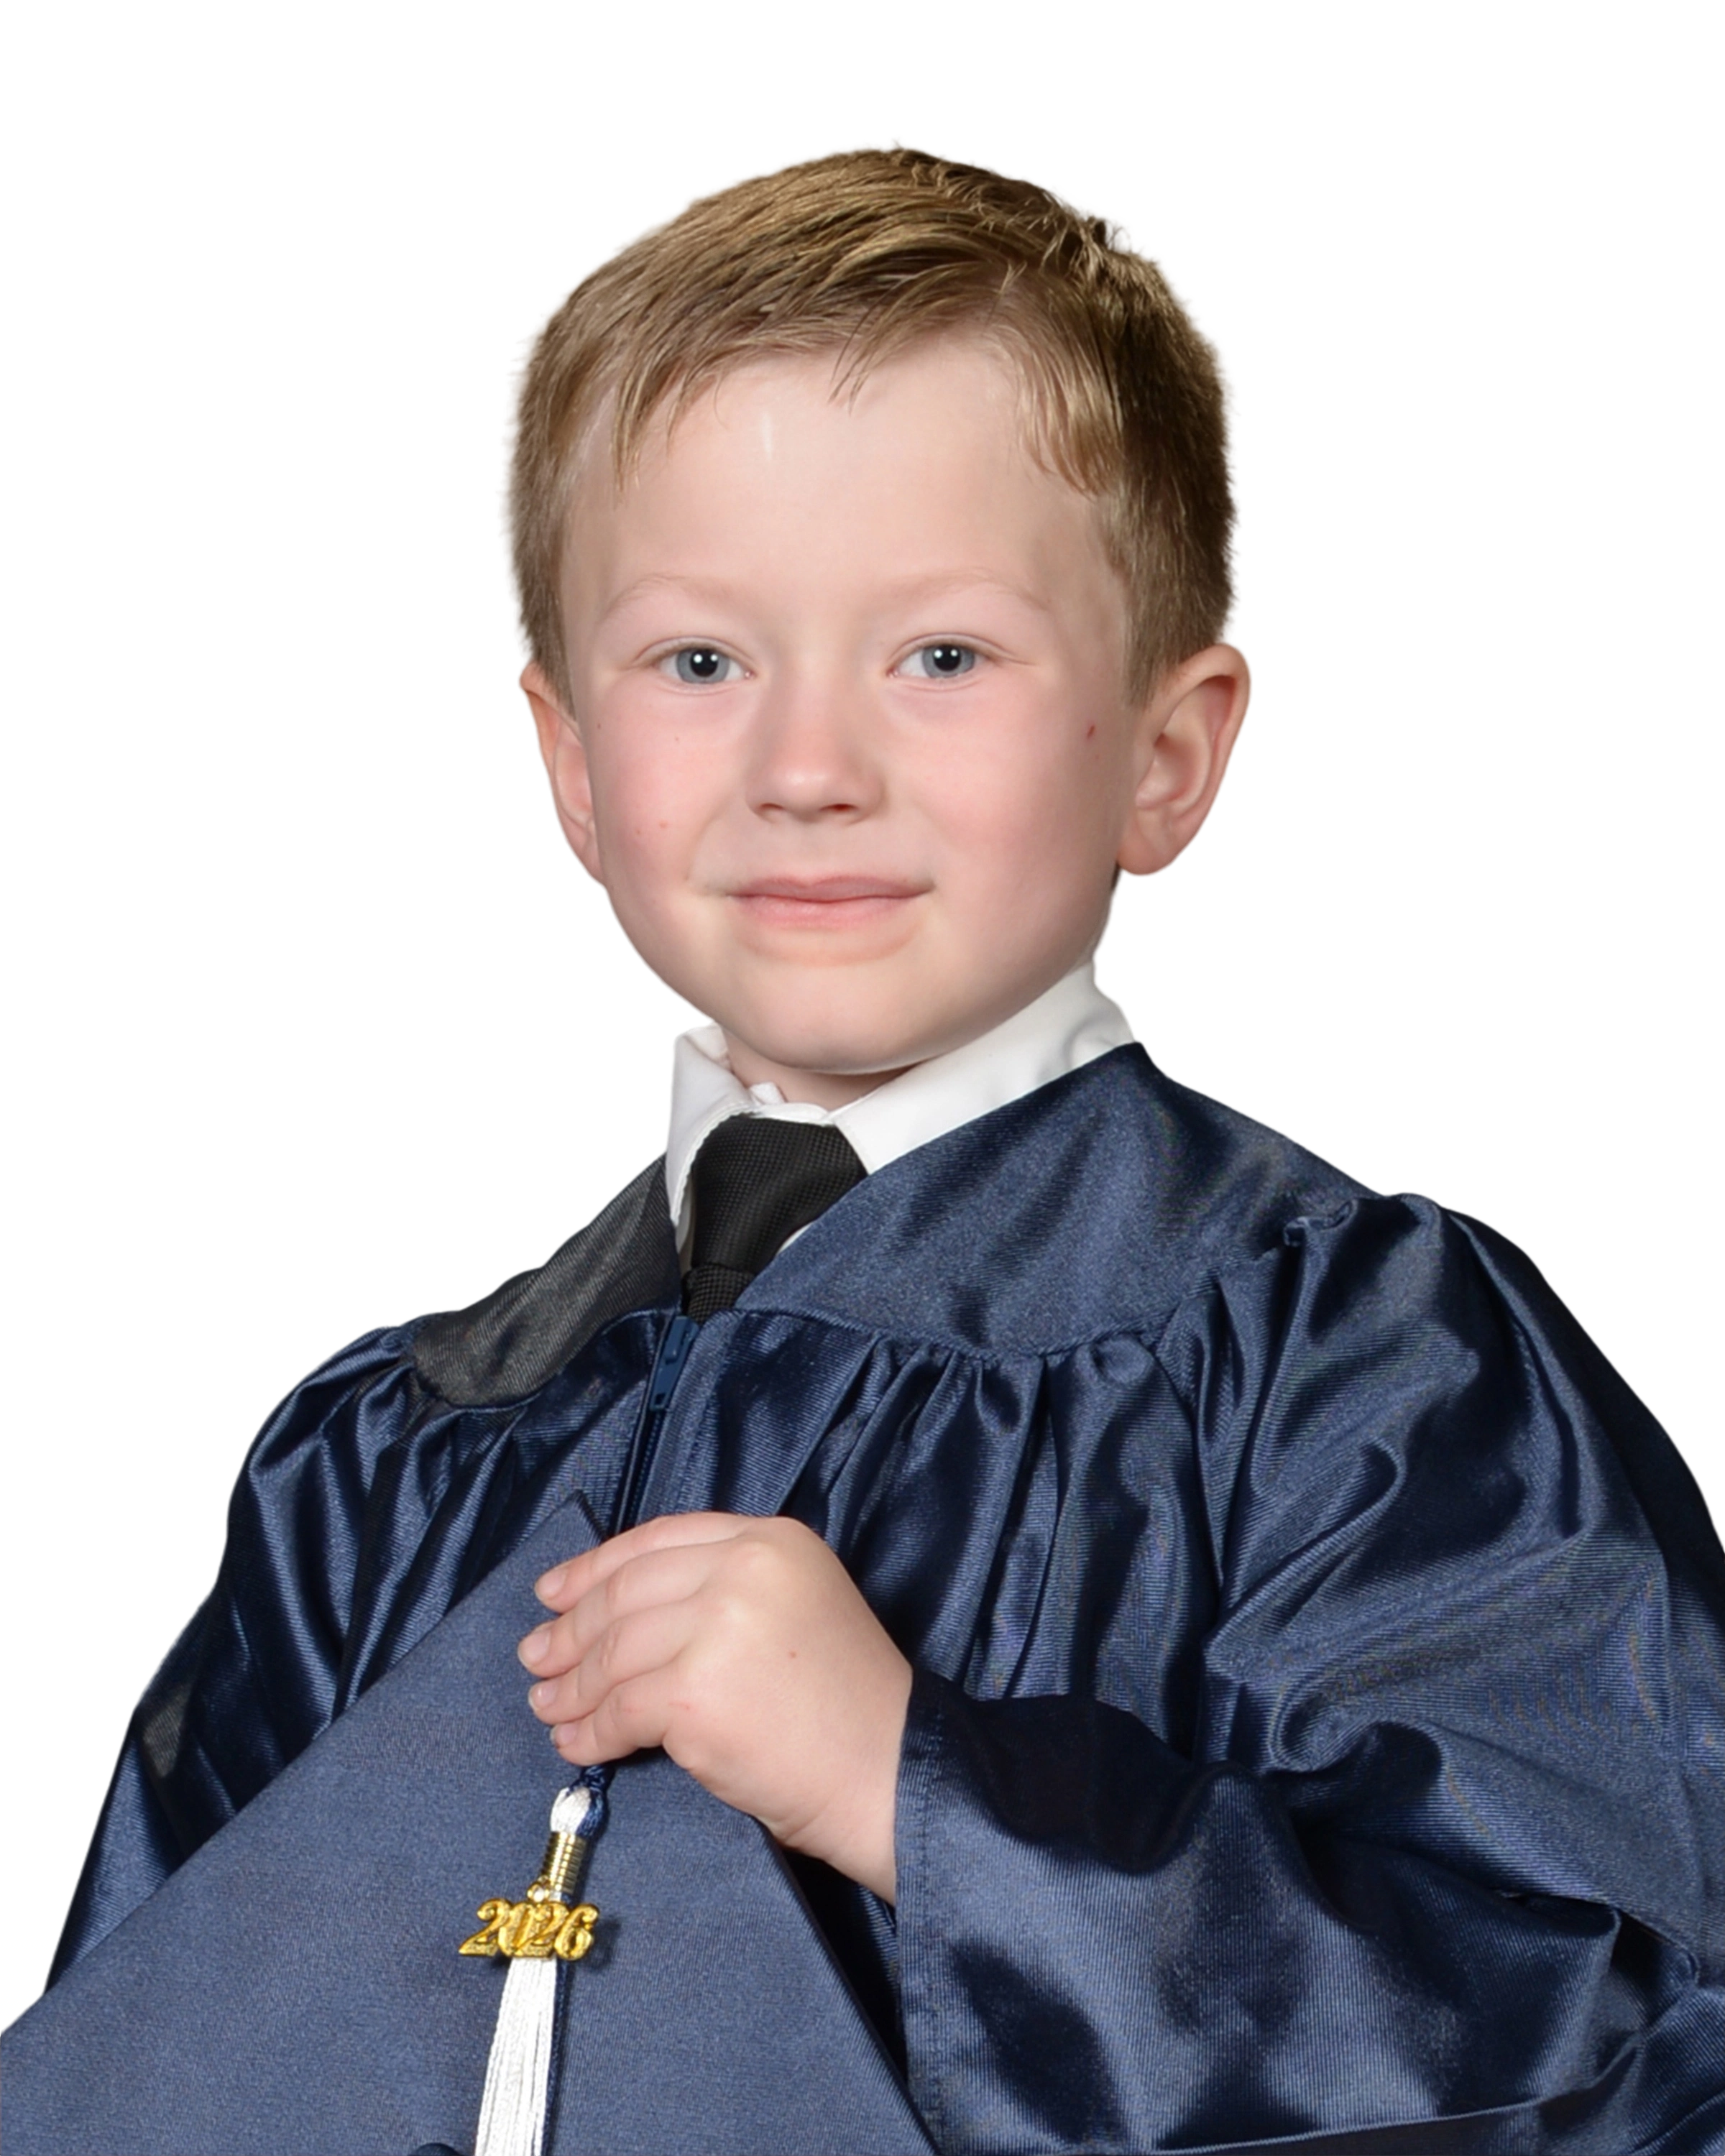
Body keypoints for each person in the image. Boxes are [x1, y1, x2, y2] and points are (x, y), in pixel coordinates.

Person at [12, 136, 1724, 2155]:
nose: (807, 768)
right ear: (569, 764)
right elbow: (133, 2060)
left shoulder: (1356, 1365)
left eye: (941, 657)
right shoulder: (391, 1453)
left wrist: (915, 1790)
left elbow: (1612, 2025)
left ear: (1168, 753)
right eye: (700, 662)